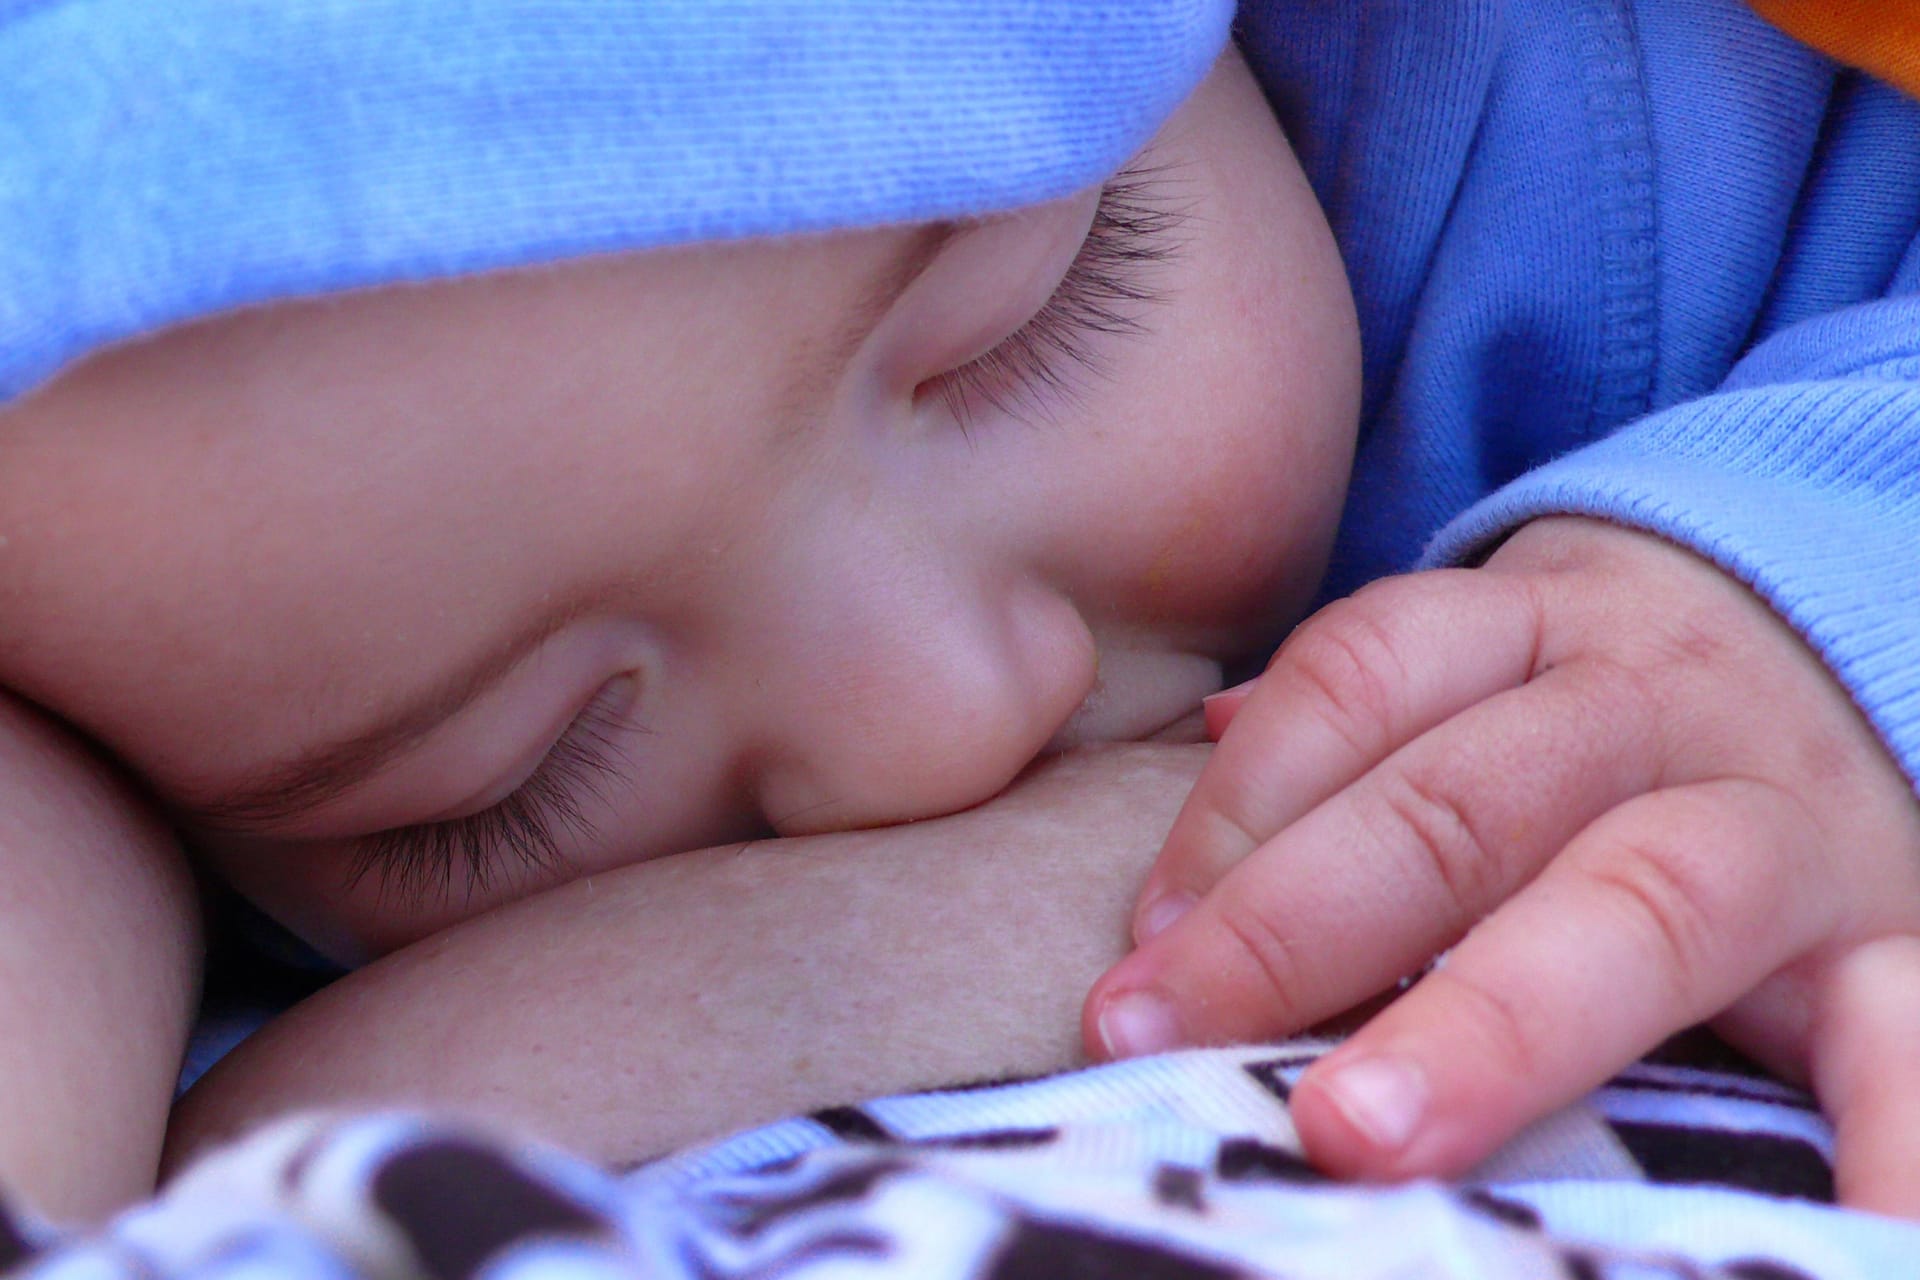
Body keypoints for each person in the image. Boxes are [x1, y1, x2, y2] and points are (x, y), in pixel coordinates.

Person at [0, 0, 1916, 1233]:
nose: (936, 723)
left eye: (1031, 326)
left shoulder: (1587, 88)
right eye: (497, 776)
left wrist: (1799, 594)